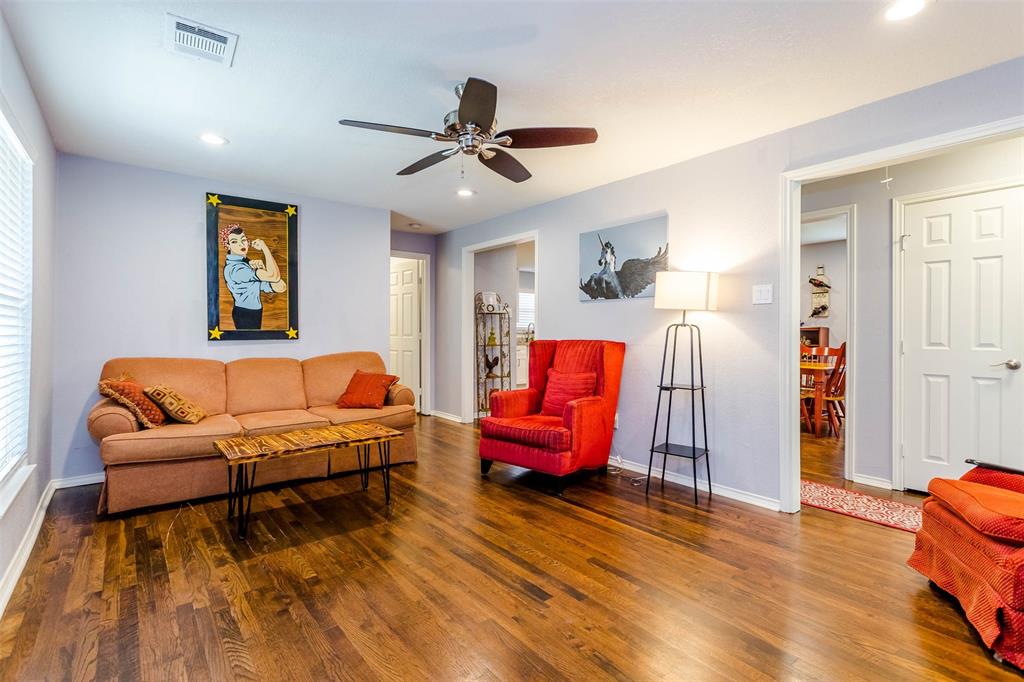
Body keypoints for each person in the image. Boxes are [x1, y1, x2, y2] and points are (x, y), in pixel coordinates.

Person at [220, 224, 286, 329]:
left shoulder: (246, 263)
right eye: (234, 241)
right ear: (228, 246)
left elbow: (281, 287)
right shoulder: (236, 269)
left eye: (243, 240)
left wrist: (264, 270)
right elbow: (274, 276)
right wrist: (265, 248)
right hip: (245, 313)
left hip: (254, 312)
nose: (241, 244)